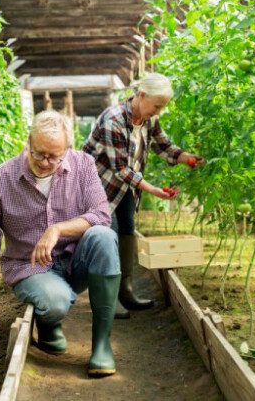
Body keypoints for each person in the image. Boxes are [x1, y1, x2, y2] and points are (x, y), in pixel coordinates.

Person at [0, 110, 121, 377]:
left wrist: (58, 229)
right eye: (39, 153)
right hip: (30, 267)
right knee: (54, 302)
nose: (45, 162)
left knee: (104, 236)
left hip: (76, 261)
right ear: (28, 140)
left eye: (54, 157)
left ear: (67, 149)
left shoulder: (83, 165)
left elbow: (101, 215)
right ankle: (49, 320)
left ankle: (101, 346)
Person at [82, 73, 204, 319]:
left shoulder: (148, 120)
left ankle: (125, 291)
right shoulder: (113, 120)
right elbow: (121, 169)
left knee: (127, 230)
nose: (159, 112)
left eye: (163, 107)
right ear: (142, 95)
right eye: (157, 106)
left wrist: (188, 158)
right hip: (98, 186)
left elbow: (164, 146)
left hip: (123, 186)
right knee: (108, 236)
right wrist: (152, 190)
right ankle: (106, 298)